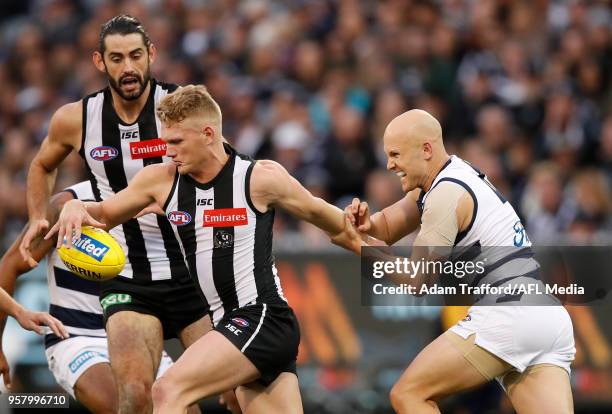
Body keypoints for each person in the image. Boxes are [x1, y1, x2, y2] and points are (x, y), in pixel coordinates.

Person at [47, 85, 362, 414]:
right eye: (166, 141)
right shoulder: (162, 181)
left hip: (261, 318)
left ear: (208, 134)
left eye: (176, 142)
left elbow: (335, 224)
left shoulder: (259, 179)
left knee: (167, 391)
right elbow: (105, 213)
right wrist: (75, 208)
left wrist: (384, 256)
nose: (168, 151)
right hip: (232, 325)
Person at [18, 15, 217, 414]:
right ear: (99, 62)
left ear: (151, 55)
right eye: (117, 58)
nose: (128, 68)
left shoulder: (180, 107)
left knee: (235, 392)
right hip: (128, 277)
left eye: (136, 56)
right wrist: (40, 215)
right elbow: (41, 166)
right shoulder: (77, 118)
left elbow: (222, 166)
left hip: (193, 272)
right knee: (134, 397)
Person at [344, 109, 575, 413]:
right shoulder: (455, 174)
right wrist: (365, 224)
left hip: (507, 314)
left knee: (409, 394)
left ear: (426, 150)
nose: (389, 164)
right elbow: (386, 226)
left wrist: (363, 250)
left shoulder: (444, 194)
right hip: (546, 318)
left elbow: (418, 280)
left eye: (395, 154)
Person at [0, 182, 175, 414]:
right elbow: (10, 265)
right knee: (126, 406)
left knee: (182, 407)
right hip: (76, 335)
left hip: (137, 332)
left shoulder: (160, 199)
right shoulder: (64, 205)